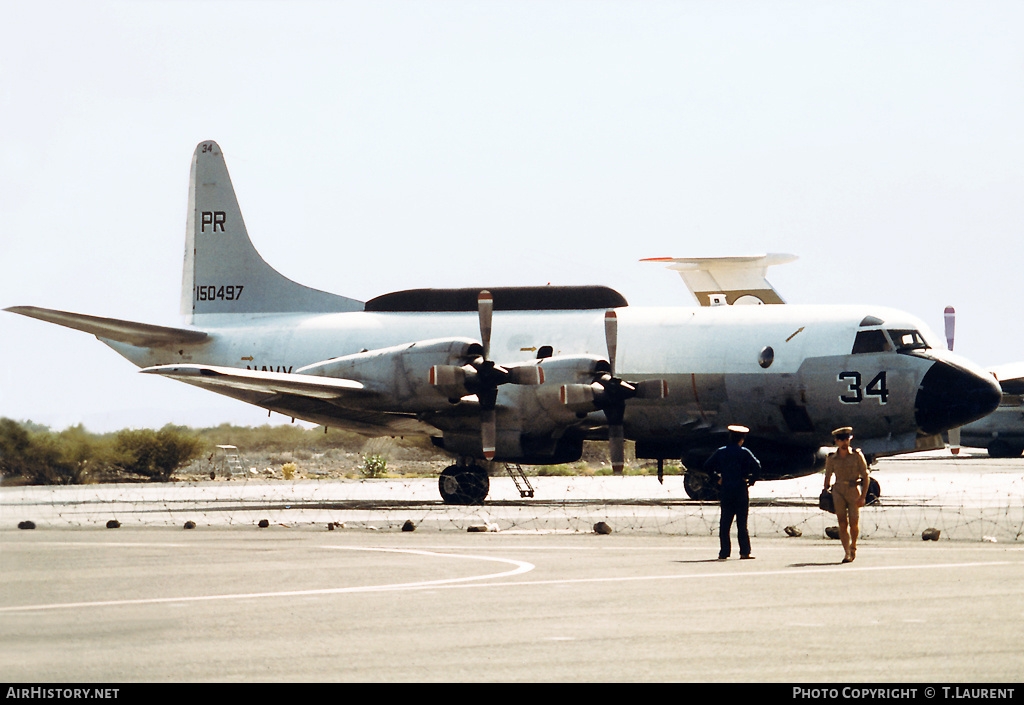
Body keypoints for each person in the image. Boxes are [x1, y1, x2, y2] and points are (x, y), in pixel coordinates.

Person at [704, 425, 761, 560]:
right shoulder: (744, 452)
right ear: (741, 439)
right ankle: (745, 552)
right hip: (741, 488)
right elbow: (757, 466)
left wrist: (717, 479)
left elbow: (707, 466)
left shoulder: (721, 452)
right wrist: (751, 481)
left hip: (726, 489)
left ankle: (724, 552)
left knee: (725, 523)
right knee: (742, 524)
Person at [823, 426, 871, 563]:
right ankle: (847, 553)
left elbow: (865, 476)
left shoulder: (857, 455)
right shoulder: (832, 458)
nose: (844, 442)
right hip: (838, 491)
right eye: (841, 440)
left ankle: (853, 546)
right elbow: (828, 475)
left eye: (846, 439)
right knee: (842, 523)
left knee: (854, 523)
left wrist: (863, 496)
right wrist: (825, 489)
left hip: (853, 490)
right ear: (836, 441)